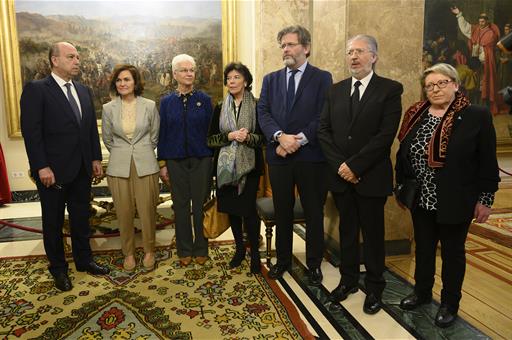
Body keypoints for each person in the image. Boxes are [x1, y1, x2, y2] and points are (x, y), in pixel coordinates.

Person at [395, 63, 499, 327]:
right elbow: (403, 153)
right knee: (424, 248)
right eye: (430, 85)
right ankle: (421, 292)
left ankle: (450, 303)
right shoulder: (417, 113)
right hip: (421, 198)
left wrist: (485, 199)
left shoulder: (477, 115)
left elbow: (487, 160)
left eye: (441, 83)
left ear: (455, 84)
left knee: (453, 253)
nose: (435, 89)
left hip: (456, 198)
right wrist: (400, 187)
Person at [318, 34, 403, 315]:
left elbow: (384, 136)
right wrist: (342, 166)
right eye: (349, 52)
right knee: (347, 231)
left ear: (374, 57)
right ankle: (348, 281)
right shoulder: (335, 90)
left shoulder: (390, 90)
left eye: (359, 52)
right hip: (341, 178)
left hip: (371, 176)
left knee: (374, 234)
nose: (353, 57)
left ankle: (375, 286)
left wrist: (355, 166)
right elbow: (324, 131)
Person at [20, 42, 110, 292]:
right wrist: (41, 166)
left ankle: (84, 260)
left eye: (78, 57)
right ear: (54, 60)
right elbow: (32, 132)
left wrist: (94, 158)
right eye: (71, 57)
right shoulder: (37, 89)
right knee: (53, 221)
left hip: (81, 169)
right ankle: (58, 269)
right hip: (53, 172)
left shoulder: (83, 90)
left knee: (82, 218)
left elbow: (90, 128)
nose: (77, 61)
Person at [258, 25, 332, 285]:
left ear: (306, 48)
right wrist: (280, 137)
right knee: (283, 211)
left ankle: (314, 265)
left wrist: (296, 140)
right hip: (279, 157)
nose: (285, 50)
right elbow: (263, 113)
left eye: (290, 44)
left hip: (311, 156)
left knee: (313, 211)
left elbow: (322, 115)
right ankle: (284, 261)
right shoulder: (271, 79)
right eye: (283, 46)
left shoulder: (322, 78)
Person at [102, 64, 160, 272]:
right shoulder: (108, 108)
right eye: (119, 80)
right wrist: (122, 152)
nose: (123, 84)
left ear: (135, 83)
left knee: (147, 212)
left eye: (127, 79)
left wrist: (141, 151)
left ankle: (149, 251)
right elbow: (107, 138)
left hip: (145, 165)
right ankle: (128, 253)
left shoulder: (149, 106)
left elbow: (154, 136)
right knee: (124, 212)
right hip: (118, 167)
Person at [207, 62, 264, 274]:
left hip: (249, 167)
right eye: (229, 78)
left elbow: (263, 139)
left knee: (248, 211)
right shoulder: (220, 107)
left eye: (236, 77)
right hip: (224, 169)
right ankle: (239, 250)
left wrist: (248, 137)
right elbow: (210, 140)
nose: (231, 81)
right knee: (232, 211)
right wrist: (229, 136)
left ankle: (255, 255)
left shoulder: (257, 105)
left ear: (246, 81)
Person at [158, 54, 213, 267]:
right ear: (174, 74)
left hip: (202, 159)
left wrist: (213, 163)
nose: (189, 73)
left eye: (192, 70)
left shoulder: (205, 100)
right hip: (175, 161)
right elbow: (162, 134)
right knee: (180, 206)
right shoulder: (166, 103)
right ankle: (184, 249)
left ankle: (201, 248)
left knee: (200, 206)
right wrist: (163, 164)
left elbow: (212, 132)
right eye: (184, 70)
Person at [451, 6, 500, 114]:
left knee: (484, 84)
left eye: (483, 21)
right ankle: (474, 105)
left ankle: (483, 107)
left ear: (487, 21)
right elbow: (466, 27)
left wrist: (479, 50)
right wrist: (459, 14)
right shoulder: (476, 29)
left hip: (485, 62)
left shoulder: (491, 33)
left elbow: (486, 48)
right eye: (480, 21)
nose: (481, 23)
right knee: (474, 84)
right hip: (475, 63)